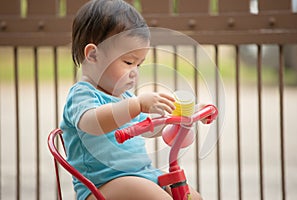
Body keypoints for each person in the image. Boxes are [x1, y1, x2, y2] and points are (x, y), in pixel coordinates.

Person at [60, 0, 202, 199]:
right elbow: (93, 123)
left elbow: (145, 127)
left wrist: (180, 116)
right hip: (102, 185)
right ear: (92, 55)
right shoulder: (82, 95)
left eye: (139, 65)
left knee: (191, 196)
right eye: (128, 62)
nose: (134, 72)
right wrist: (137, 105)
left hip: (142, 174)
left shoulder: (124, 97)